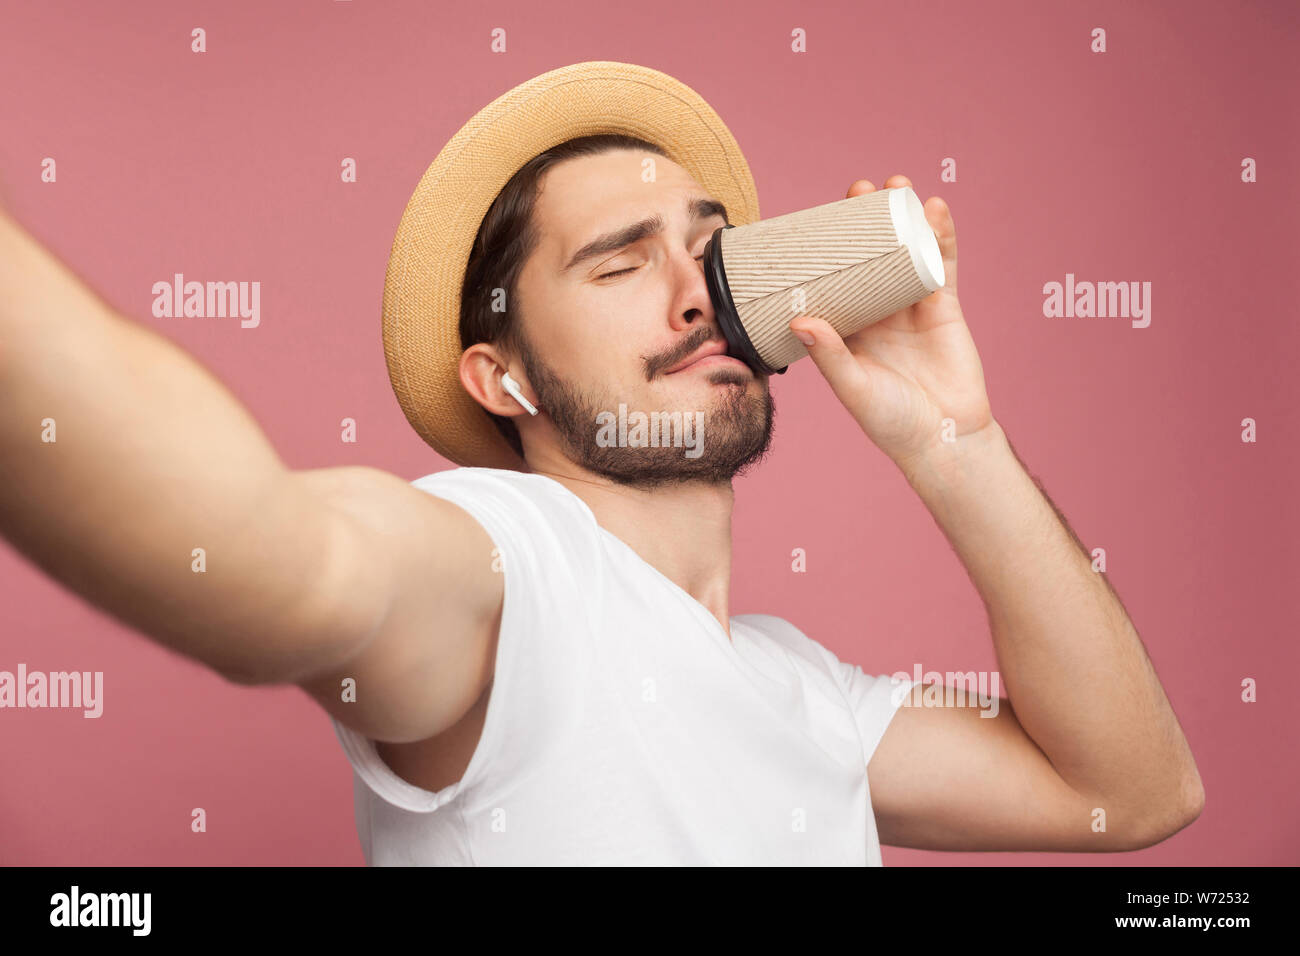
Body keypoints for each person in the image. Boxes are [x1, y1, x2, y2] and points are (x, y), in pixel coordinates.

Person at [0, 62, 1202, 866]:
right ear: (502, 376)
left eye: (714, 249)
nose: (700, 293)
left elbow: (1131, 790)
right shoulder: (509, 570)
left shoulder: (806, 692)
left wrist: (956, 442)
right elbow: (284, 560)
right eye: (620, 265)